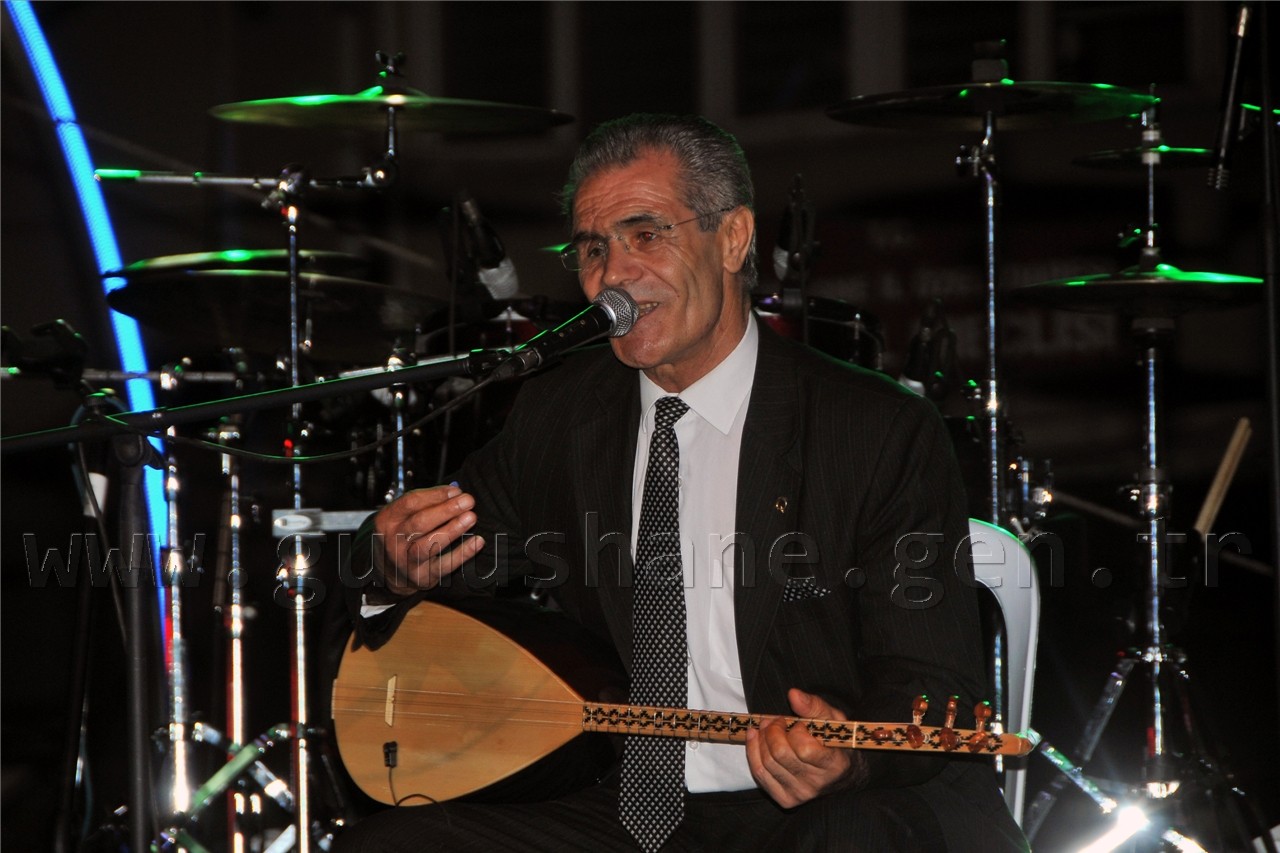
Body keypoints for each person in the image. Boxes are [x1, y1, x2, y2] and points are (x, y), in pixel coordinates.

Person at [334, 113, 1027, 852]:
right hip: (628, 806)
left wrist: (849, 755)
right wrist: (393, 566)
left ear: (733, 238)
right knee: (389, 846)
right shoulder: (562, 413)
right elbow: (443, 556)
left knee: (847, 838)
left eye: (645, 234)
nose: (613, 274)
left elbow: (932, 681)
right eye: (593, 248)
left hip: (831, 805)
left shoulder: (873, 427)